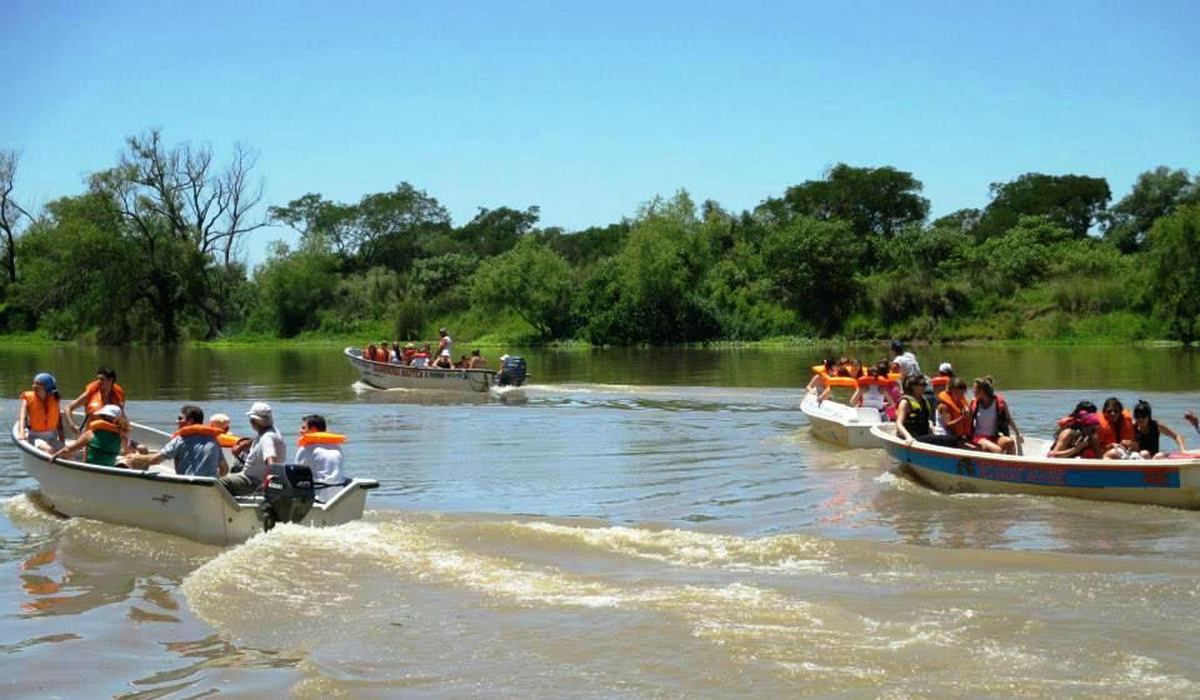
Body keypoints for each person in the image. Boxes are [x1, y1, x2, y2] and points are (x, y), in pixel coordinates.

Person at [118, 405, 228, 477]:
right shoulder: (214, 441)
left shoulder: (180, 440)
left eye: (180, 418)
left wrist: (134, 456)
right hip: (210, 486)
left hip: (188, 487)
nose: (177, 421)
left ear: (190, 421)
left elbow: (154, 460)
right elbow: (224, 470)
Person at [218, 402, 286, 497]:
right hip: (251, 477)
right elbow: (259, 439)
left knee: (220, 482)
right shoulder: (271, 432)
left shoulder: (267, 438)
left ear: (254, 421)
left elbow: (271, 460)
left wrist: (269, 481)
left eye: (250, 419)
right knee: (236, 467)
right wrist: (242, 446)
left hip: (253, 481)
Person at [52, 404, 129, 467]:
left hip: (89, 469)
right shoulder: (122, 436)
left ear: (103, 417)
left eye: (101, 416)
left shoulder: (90, 434)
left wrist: (54, 456)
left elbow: (67, 450)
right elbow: (124, 451)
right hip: (108, 471)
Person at [295, 414, 348, 501]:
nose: (300, 431)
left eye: (303, 428)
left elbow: (298, 474)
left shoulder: (305, 448)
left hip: (319, 495)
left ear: (313, 429)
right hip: (338, 494)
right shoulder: (336, 447)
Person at [969, 377, 1021, 454]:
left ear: (982, 391)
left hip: (994, 436)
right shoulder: (974, 403)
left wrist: (1017, 433)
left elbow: (1008, 418)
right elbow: (968, 421)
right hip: (979, 437)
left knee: (1010, 442)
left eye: (975, 390)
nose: (973, 391)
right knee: (998, 450)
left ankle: (1011, 465)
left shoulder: (999, 402)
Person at [66, 367, 125, 436]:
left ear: (110, 380)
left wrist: (125, 431)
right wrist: (72, 425)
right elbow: (68, 408)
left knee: (140, 447)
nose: (99, 381)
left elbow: (122, 417)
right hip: (92, 435)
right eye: (97, 379)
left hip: (112, 436)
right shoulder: (90, 394)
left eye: (102, 379)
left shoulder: (118, 396)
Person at [18, 372, 66, 452]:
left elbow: (58, 418)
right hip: (35, 437)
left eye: (38, 384)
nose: (34, 386)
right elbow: (22, 417)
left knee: (68, 452)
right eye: (34, 383)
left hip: (51, 437)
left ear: (47, 388)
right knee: (49, 449)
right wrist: (22, 432)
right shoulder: (28, 398)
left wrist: (61, 436)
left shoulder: (54, 398)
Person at [935, 377, 973, 445]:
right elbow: (947, 425)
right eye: (958, 394)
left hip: (956, 436)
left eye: (963, 394)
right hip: (944, 436)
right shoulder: (943, 406)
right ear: (951, 391)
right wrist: (962, 418)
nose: (961, 396)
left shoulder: (961, 403)